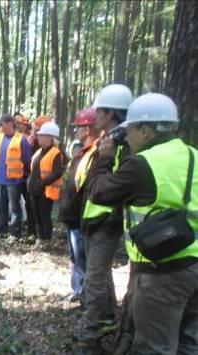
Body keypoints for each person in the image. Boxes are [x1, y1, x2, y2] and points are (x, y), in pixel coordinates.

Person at [86, 93, 198, 353]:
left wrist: (104, 158)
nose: (127, 137)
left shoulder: (143, 163)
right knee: (189, 344)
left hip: (164, 272)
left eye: (131, 131)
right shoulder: (193, 155)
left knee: (154, 347)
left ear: (145, 130)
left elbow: (99, 193)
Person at [76, 84, 133, 352]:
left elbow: (113, 185)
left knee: (95, 279)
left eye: (99, 110)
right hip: (94, 218)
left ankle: (90, 336)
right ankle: (108, 319)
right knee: (99, 276)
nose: (94, 115)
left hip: (106, 220)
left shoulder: (124, 144)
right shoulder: (108, 140)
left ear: (110, 113)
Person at [59, 107, 99, 303]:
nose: (76, 131)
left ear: (88, 129)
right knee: (75, 257)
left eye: (79, 128)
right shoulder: (80, 154)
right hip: (72, 216)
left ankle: (84, 293)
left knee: (82, 257)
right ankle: (77, 289)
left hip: (80, 216)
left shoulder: (94, 154)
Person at [0, 114, 32, 239]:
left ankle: (15, 233)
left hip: (14, 180)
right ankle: (1, 231)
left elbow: (27, 160)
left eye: (1, 124)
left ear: (9, 123)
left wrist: (24, 176)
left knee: (14, 208)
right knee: (1, 206)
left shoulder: (22, 139)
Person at [27, 121, 65, 248]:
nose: (38, 137)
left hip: (45, 191)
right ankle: (39, 239)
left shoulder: (55, 153)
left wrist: (42, 183)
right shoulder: (38, 151)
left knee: (44, 216)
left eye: (41, 135)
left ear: (49, 137)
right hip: (34, 190)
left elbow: (57, 173)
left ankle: (46, 240)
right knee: (36, 216)